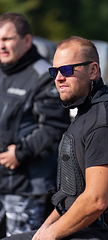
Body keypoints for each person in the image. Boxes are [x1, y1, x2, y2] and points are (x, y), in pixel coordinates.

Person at [3, 36, 108, 240]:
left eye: (68, 70)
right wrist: (43, 230)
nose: (59, 78)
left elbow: (96, 201)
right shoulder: (87, 111)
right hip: (86, 226)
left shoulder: (105, 120)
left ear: (93, 70)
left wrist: (50, 235)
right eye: (55, 71)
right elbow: (71, 195)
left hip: (106, 233)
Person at [0, 12, 70, 237]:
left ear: (27, 40)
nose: (1, 45)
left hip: (25, 186)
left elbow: (54, 126)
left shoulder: (43, 75)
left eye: (7, 39)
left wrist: (20, 153)